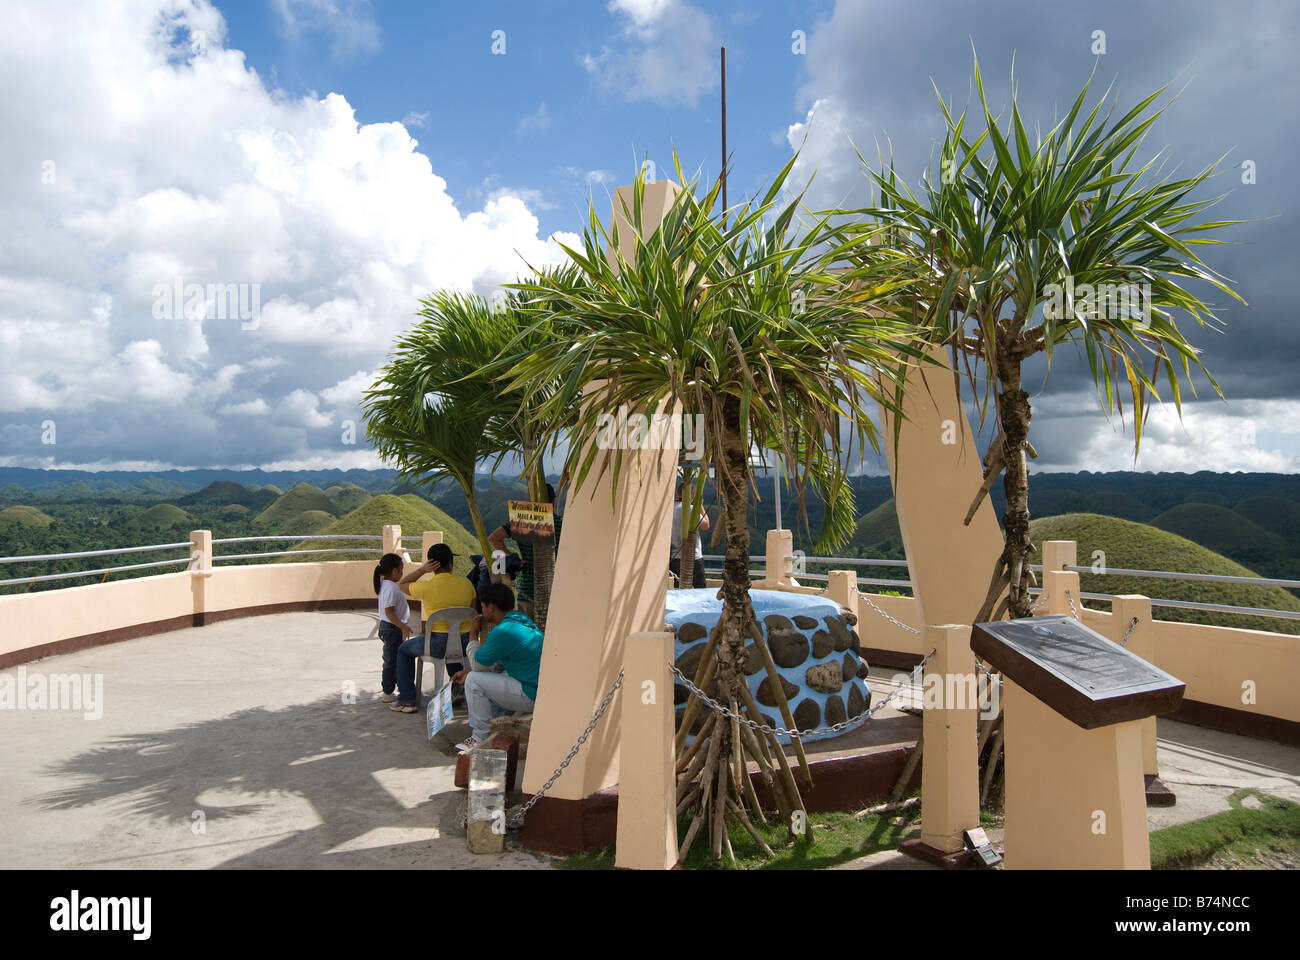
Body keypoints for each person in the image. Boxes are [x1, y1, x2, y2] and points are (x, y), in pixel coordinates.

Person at [450, 582, 543, 752]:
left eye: (483, 606)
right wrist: (468, 671)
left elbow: (477, 666)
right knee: (485, 675)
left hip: (531, 693)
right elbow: (495, 665)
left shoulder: (503, 631)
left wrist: (473, 633)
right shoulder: (520, 621)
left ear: (491, 607)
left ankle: (480, 737)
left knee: (473, 681)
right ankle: (496, 728)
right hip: (537, 687)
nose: (482, 610)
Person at [389, 543, 476, 713]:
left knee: (403, 650)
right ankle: (458, 692)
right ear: (451, 563)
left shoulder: (426, 587)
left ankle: (407, 700)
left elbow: (402, 583)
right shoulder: (467, 584)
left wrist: (422, 570)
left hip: (437, 644)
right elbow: (472, 613)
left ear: (431, 565)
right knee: (454, 647)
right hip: (465, 642)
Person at [487, 483, 562, 621]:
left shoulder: (522, 521)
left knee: (527, 633)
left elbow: (493, 538)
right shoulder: (560, 523)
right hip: (553, 591)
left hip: (526, 591)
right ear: (553, 500)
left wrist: (514, 559)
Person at [373, 553, 411, 704]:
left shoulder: (386, 585)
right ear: (395, 571)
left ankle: (395, 688)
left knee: (395, 659)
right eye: (401, 569)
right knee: (392, 661)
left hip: (391, 628)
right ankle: (388, 691)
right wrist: (403, 627)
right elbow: (389, 612)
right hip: (392, 628)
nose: (402, 573)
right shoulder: (391, 589)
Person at [669, 484, 710, 588]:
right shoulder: (691, 509)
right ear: (692, 495)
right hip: (693, 557)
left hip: (675, 557)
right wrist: (699, 506)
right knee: (699, 589)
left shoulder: (670, 509)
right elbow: (706, 525)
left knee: (678, 589)